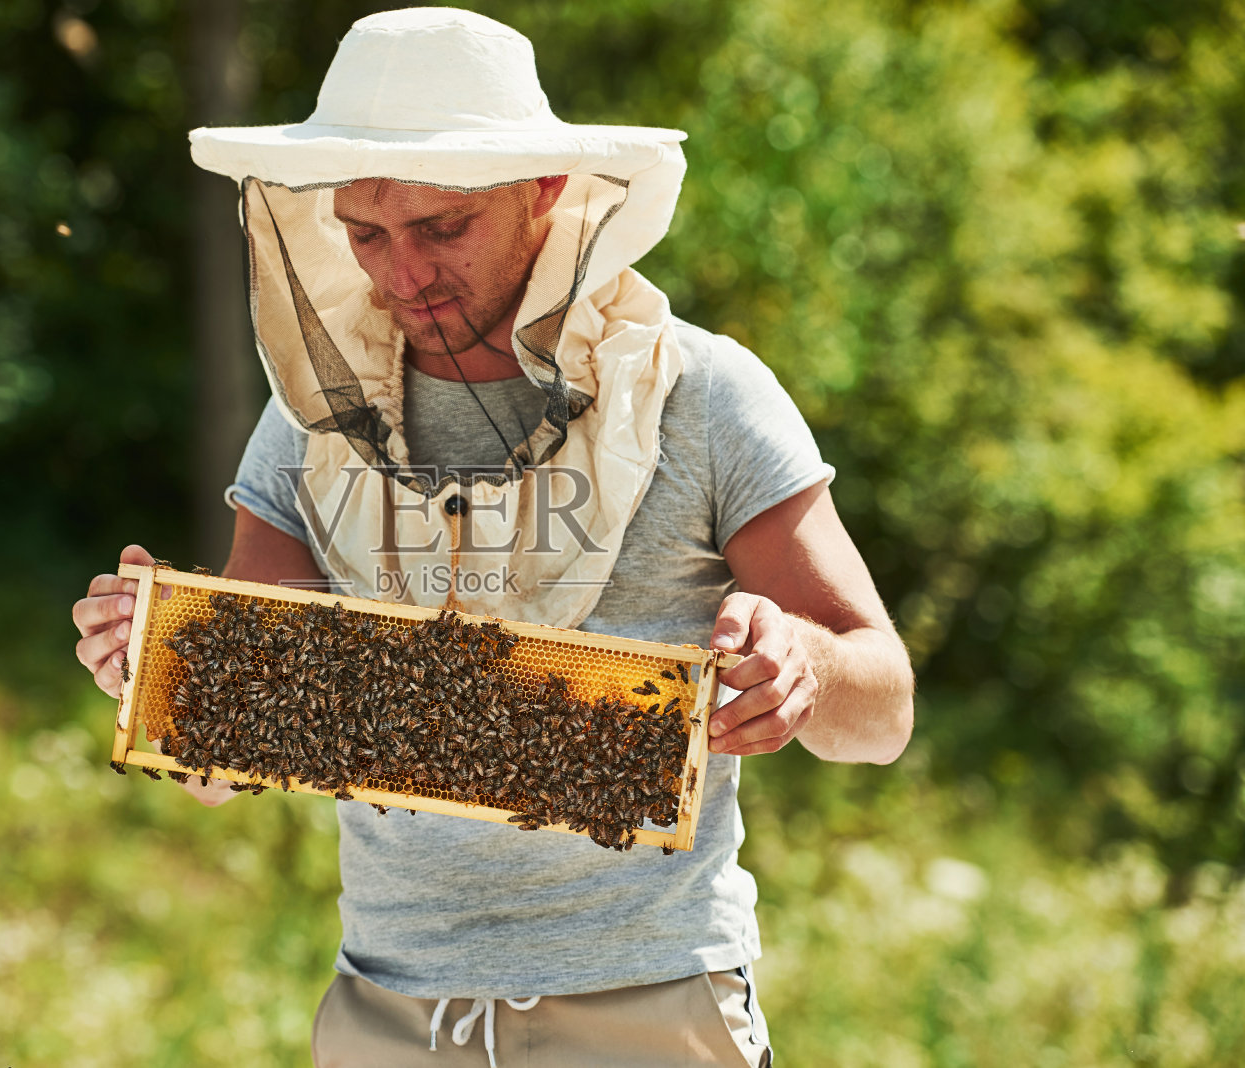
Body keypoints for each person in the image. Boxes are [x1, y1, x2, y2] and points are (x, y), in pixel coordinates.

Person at [72, 9, 913, 1066]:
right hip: (390, 1013)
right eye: (365, 234)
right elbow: (223, 762)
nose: (402, 274)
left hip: (646, 1010)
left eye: (442, 227)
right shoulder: (314, 414)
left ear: (543, 190)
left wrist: (803, 668)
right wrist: (158, 664)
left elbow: (884, 709)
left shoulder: (699, 394)